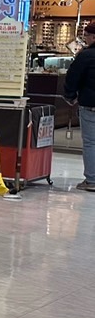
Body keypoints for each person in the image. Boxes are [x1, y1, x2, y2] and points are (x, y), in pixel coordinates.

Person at [64, 20, 95, 192]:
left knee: (90, 142)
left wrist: (70, 96)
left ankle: (92, 179)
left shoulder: (86, 56)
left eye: (87, 36)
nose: (86, 39)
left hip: (90, 104)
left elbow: (72, 77)